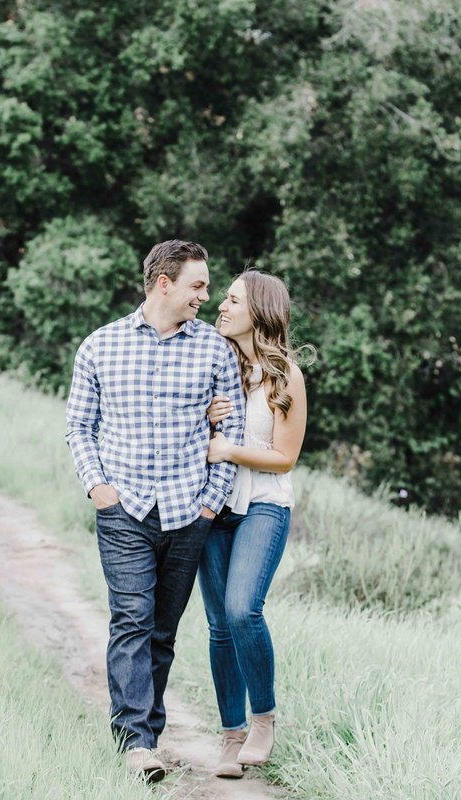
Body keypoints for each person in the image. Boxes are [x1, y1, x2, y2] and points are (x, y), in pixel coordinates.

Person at [65, 240, 246, 782]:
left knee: (162, 631)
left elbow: (229, 429)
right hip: (125, 509)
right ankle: (136, 741)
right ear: (163, 283)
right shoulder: (100, 346)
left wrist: (212, 503)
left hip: (189, 511)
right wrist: (98, 486)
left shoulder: (214, 349)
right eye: (197, 285)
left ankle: (149, 728)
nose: (205, 296)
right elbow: (79, 425)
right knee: (132, 621)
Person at [198, 269, 310, 779]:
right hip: (215, 505)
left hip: (264, 504)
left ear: (259, 311)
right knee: (219, 625)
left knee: (243, 609)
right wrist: (207, 416)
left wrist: (229, 447)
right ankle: (230, 734)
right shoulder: (213, 363)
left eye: (231, 299)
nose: (220, 305)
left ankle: (263, 720)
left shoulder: (286, 376)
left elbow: (285, 457)